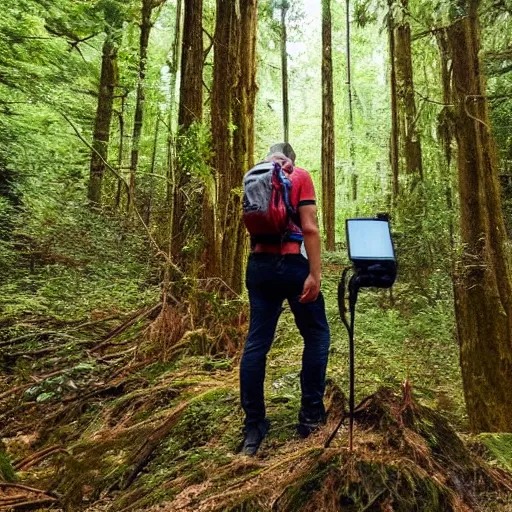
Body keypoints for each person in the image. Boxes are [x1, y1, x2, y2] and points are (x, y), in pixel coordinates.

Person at [240, 142, 331, 456]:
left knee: (256, 344)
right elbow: (309, 228)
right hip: (292, 265)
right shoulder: (301, 175)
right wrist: (315, 274)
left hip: (259, 267)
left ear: (269, 157)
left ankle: (253, 427)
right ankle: (310, 417)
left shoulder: (252, 176)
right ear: (291, 159)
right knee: (317, 334)